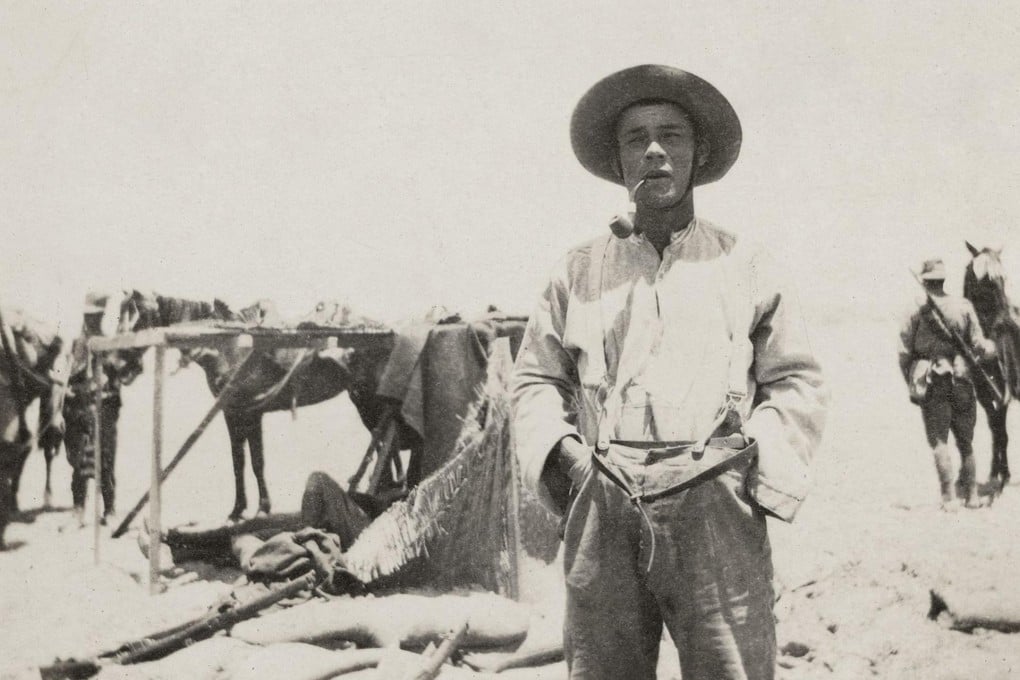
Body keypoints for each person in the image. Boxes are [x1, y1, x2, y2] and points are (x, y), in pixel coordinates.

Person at [511, 65, 829, 680]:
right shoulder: (577, 270)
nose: (654, 150)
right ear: (618, 160)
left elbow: (797, 380)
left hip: (715, 502)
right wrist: (567, 460)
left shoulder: (747, 264)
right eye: (636, 138)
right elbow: (535, 381)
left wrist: (748, 465)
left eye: (671, 136)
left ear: (698, 154)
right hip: (603, 494)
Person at [898, 258, 995, 510]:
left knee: (939, 440)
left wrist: (911, 381)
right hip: (962, 377)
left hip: (932, 380)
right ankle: (972, 496)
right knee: (965, 442)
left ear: (925, 281)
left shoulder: (916, 309)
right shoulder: (963, 306)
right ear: (942, 280)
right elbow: (979, 345)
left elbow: (904, 352)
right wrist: (990, 349)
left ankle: (949, 498)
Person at [64, 292, 141, 525]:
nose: (90, 321)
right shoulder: (76, 345)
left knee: (105, 459)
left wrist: (116, 373)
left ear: (101, 316)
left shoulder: (111, 344)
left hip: (105, 410)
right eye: (88, 316)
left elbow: (129, 371)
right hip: (79, 410)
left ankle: (109, 510)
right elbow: (66, 375)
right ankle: (78, 509)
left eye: (95, 316)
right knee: (79, 461)